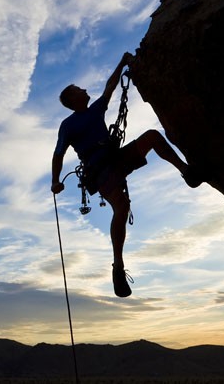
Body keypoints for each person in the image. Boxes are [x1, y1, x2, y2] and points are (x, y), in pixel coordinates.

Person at [50, 51, 202, 297]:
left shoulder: (95, 109)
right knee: (121, 206)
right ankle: (118, 266)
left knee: (152, 136)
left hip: (115, 158)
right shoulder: (68, 125)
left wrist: (122, 62)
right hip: (99, 170)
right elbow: (58, 154)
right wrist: (55, 181)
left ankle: (187, 172)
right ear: (73, 98)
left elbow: (110, 87)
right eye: (79, 89)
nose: (85, 89)